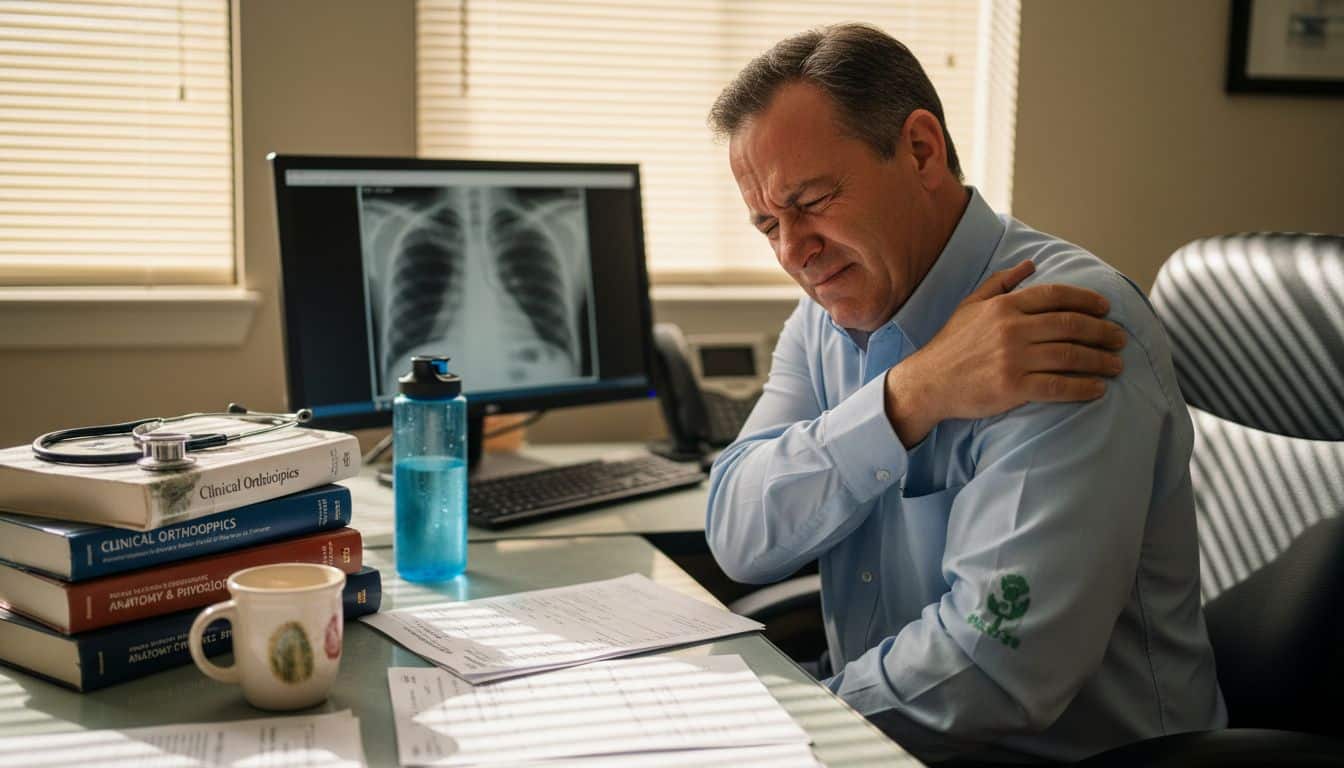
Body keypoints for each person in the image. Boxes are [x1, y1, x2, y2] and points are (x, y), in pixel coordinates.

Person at [704, 23, 1226, 764]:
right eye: (767, 225)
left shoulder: (1062, 321)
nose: (793, 251)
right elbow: (737, 533)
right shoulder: (830, 312)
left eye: (813, 200)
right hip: (887, 741)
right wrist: (909, 396)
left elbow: (1000, 666)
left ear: (920, 150)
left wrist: (785, 729)